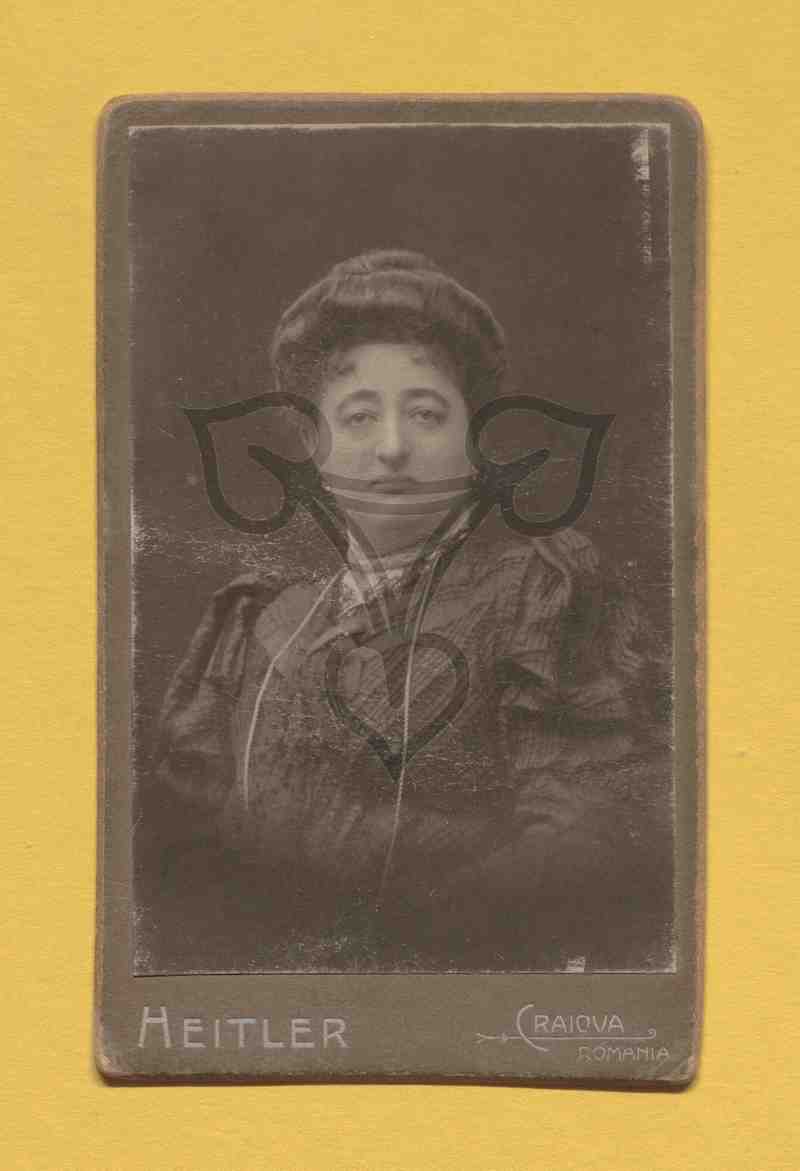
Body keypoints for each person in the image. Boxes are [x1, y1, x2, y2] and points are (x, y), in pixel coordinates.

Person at [144, 250, 673, 973]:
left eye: (425, 414)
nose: (392, 448)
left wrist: (375, 945)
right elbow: (178, 851)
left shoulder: (538, 596)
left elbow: (588, 838)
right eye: (359, 417)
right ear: (313, 446)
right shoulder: (261, 619)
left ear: (473, 439)